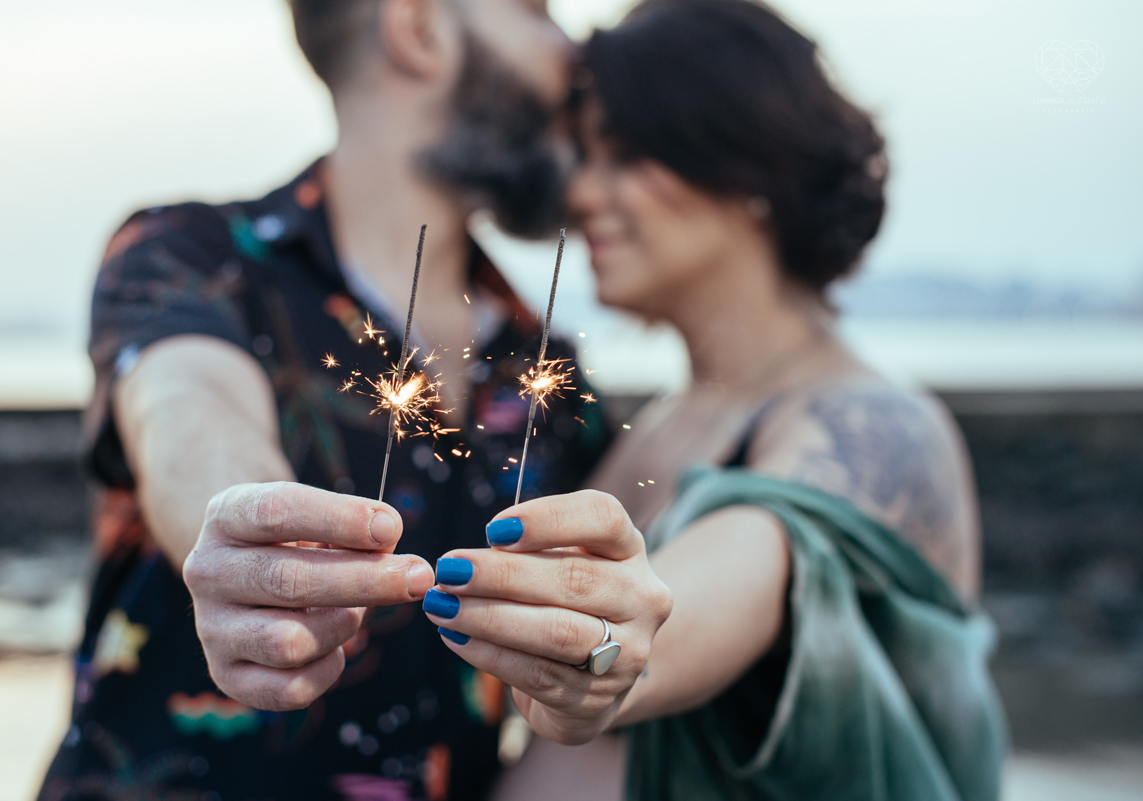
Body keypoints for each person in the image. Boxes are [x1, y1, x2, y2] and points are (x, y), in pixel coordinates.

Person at [415, 1, 1006, 799]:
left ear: (748, 166)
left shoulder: (872, 424)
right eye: (581, 155)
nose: (580, 192)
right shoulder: (653, 421)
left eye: (623, 154)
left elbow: (745, 568)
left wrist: (615, 642)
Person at [38, 2, 611, 800]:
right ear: (418, 28)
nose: (571, 49)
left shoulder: (551, 369)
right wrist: (245, 530)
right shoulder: (195, 257)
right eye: (535, 11)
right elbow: (187, 404)